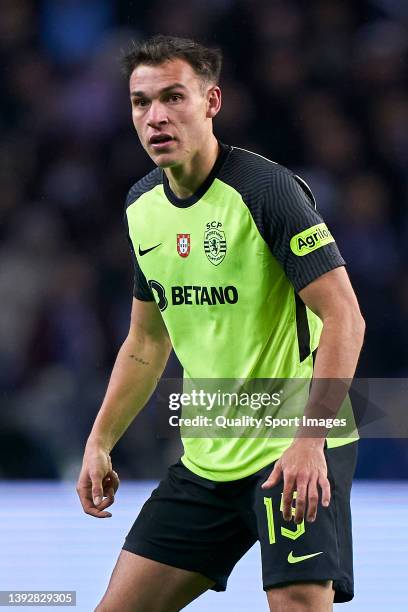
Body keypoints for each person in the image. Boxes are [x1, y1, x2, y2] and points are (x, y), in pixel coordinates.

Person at [76, 35, 365, 612]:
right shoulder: (141, 207)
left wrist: (310, 442)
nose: (155, 116)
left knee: (299, 603)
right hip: (208, 455)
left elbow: (345, 318)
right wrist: (100, 439)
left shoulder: (265, 191)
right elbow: (145, 341)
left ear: (212, 102)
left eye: (173, 97)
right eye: (141, 102)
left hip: (294, 445)